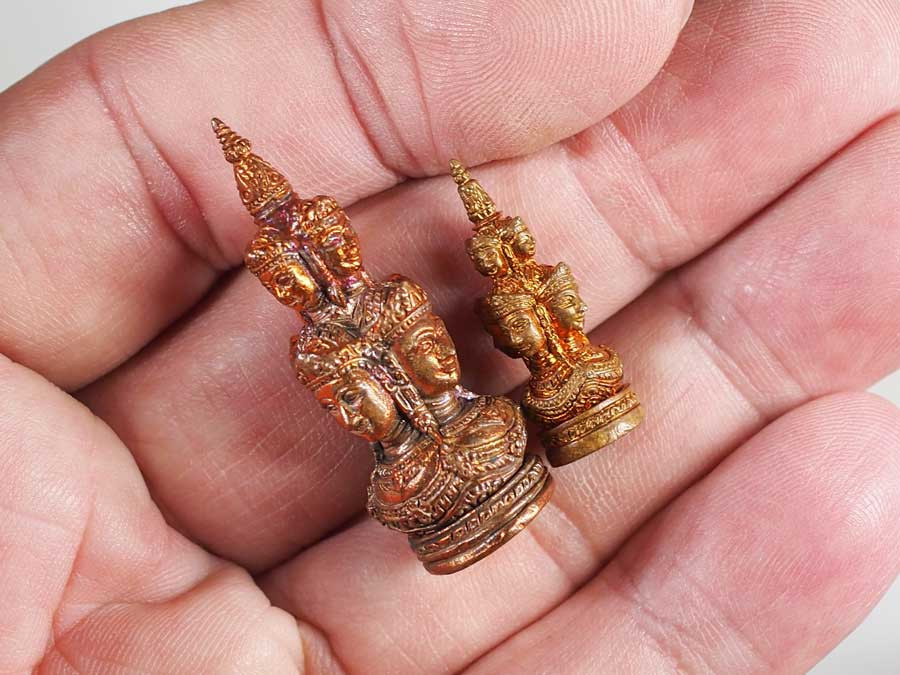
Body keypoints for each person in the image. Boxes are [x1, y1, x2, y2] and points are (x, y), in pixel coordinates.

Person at [2, 1, 900, 673]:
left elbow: (443, 368)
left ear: (341, 240)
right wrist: (375, 397)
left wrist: (436, 372)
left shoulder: (394, 296)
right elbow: (367, 420)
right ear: (278, 283)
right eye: (292, 272)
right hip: (414, 459)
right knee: (406, 477)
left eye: (321, 250)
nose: (313, 270)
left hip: (469, 426)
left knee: (492, 425)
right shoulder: (314, 346)